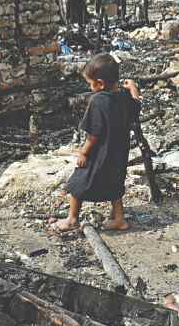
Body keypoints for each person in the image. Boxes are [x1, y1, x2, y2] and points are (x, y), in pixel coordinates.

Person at [51, 54, 142, 234]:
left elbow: (93, 134)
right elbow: (136, 105)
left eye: (90, 83)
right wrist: (133, 88)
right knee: (115, 184)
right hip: (119, 152)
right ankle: (119, 219)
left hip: (100, 153)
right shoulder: (123, 95)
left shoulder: (98, 100)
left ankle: (72, 219)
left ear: (100, 83)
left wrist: (83, 153)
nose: (89, 87)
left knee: (77, 184)